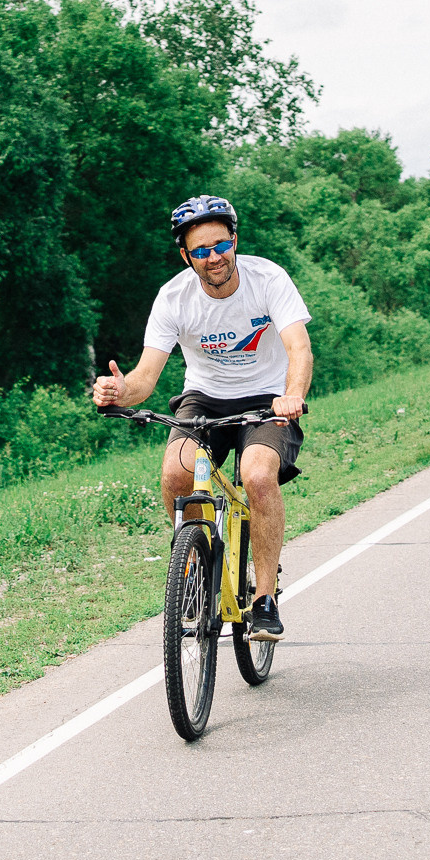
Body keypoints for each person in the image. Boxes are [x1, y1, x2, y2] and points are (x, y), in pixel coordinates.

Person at [91, 195, 312, 641]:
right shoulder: (173, 296)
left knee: (257, 476)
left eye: (220, 245)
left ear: (234, 240)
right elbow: (144, 379)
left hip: (269, 399)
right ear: (185, 255)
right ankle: (194, 571)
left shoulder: (268, 278)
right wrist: (118, 390)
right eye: (200, 251)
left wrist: (292, 395)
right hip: (205, 398)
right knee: (176, 472)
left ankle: (264, 598)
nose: (213, 258)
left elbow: (299, 348)